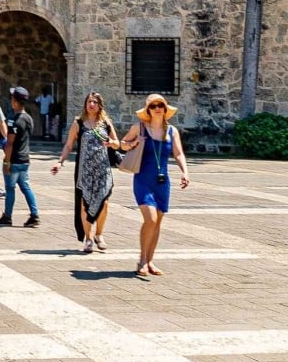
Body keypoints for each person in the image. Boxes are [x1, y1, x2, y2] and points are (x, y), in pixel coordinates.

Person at [117, 95, 190, 277]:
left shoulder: (172, 131)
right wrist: (134, 143)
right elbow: (122, 145)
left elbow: (178, 153)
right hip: (143, 179)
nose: (157, 108)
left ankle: (150, 261)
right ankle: (142, 260)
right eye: (153, 106)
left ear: (165, 109)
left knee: (157, 223)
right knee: (150, 219)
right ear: (148, 110)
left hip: (162, 182)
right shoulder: (139, 128)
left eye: (161, 105)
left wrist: (185, 172)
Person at [51, 93, 120, 253]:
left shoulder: (106, 123)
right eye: (89, 101)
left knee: (104, 203)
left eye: (95, 102)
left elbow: (117, 143)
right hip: (84, 171)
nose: (92, 104)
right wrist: (60, 162)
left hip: (103, 170)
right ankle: (88, 238)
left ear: (100, 105)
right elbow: (69, 145)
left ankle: (99, 234)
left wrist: (112, 143)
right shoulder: (78, 123)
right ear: (85, 104)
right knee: (84, 204)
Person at [0, 87, 40, 227]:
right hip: (25, 159)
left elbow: (10, 143)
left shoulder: (13, 121)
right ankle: (34, 214)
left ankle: (7, 216)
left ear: (14, 101)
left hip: (13, 159)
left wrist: (7, 161)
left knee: (10, 188)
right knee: (25, 187)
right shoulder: (29, 118)